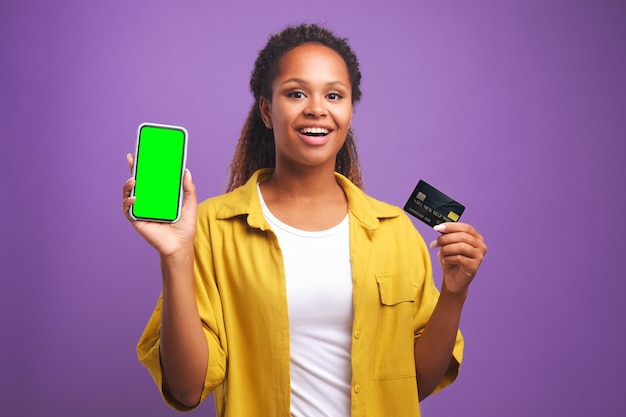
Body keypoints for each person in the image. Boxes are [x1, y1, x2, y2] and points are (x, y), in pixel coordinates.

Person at [122, 23, 487, 417]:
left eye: (334, 95)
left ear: (349, 111)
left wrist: (454, 293)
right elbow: (187, 388)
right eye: (296, 93)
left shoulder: (395, 230)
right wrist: (175, 257)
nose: (317, 108)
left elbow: (415, 383)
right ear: (267, 109)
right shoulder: (212, 226)